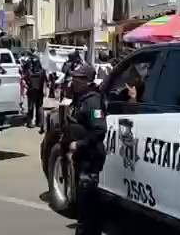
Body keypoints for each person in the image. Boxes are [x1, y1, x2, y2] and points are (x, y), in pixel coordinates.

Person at [66, 63, 106, 235]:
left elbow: (100, 129)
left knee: (88, 204)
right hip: (80, 157)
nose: (73, 80)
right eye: (73, 76)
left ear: (88, 80)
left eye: (78, 78)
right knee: (83, 203)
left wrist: (79, 144)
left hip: (90, 157)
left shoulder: (93, 102)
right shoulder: (79, 99)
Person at [25, 58, 46, 130]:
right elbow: (45, 81)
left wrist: (29, 85)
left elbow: (25, 80)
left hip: (31, 92)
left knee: (31, 107)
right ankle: (38, 122)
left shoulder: (29, 71)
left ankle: (30, 122)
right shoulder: (42, 71)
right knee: (38, 107)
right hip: (39, 92)